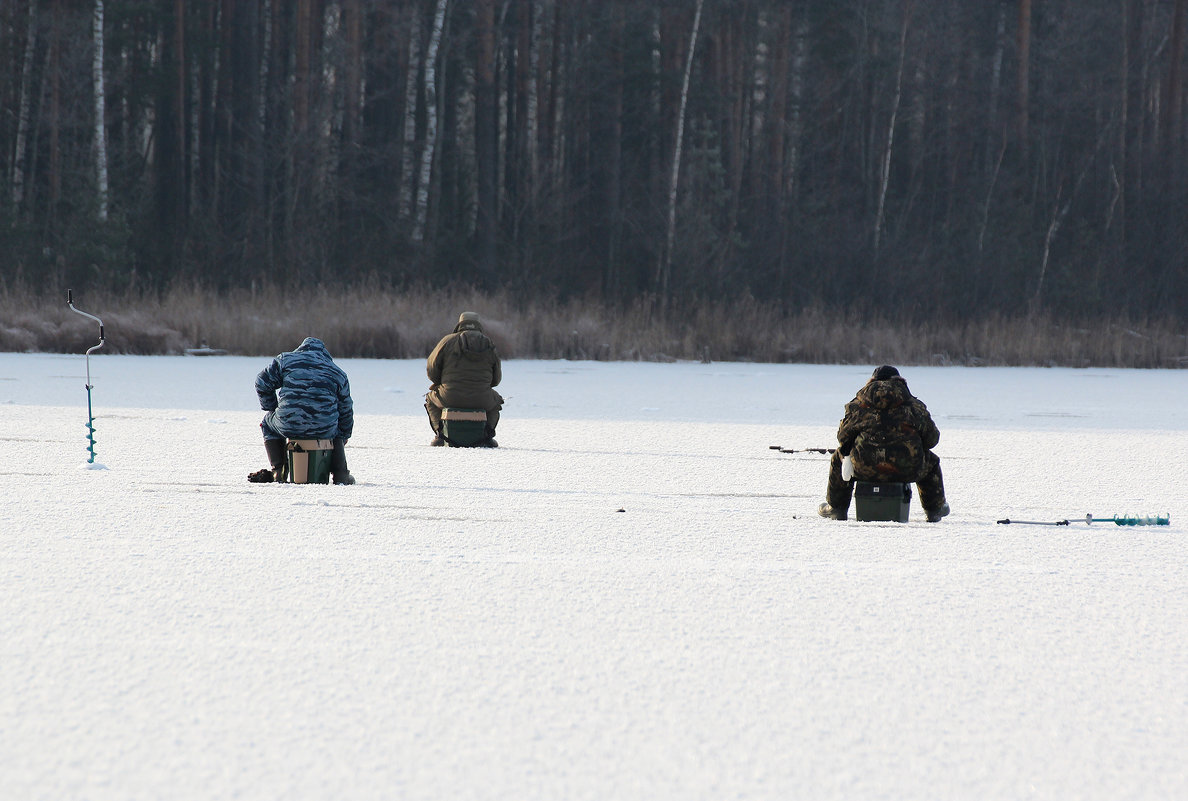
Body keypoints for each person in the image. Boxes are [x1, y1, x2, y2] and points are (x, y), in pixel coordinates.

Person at [818, 365, 949, 522]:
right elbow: (932, 440)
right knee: (931, 461)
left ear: (872, 382)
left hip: (864, 467)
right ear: (900, 381)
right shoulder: (914, 406)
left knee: (838, 458)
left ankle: (836, 508)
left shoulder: (859, 405)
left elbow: (843, 437)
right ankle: (934, 510)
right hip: (907, 468)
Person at [248, 336, 355, 484]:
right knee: (335, 427)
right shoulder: (337, 373)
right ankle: (340, 474)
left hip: (288, 422)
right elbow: (346, 410)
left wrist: (272, 407)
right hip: (324, 428)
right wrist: (343, 436)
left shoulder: (286, 360)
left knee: (268, 424)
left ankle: (278, 471)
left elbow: (261, 382)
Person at [425, 311, 503, 447]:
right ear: (479, 326)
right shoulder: (488, 344)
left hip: (449, 396)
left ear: (459, 324)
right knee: (496, 402)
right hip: (482, 399)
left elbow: (432, 371)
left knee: (430, 399)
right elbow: (496, 380)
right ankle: (487, 436)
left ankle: (440, 435)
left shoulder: (447, 341)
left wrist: (441, 384)